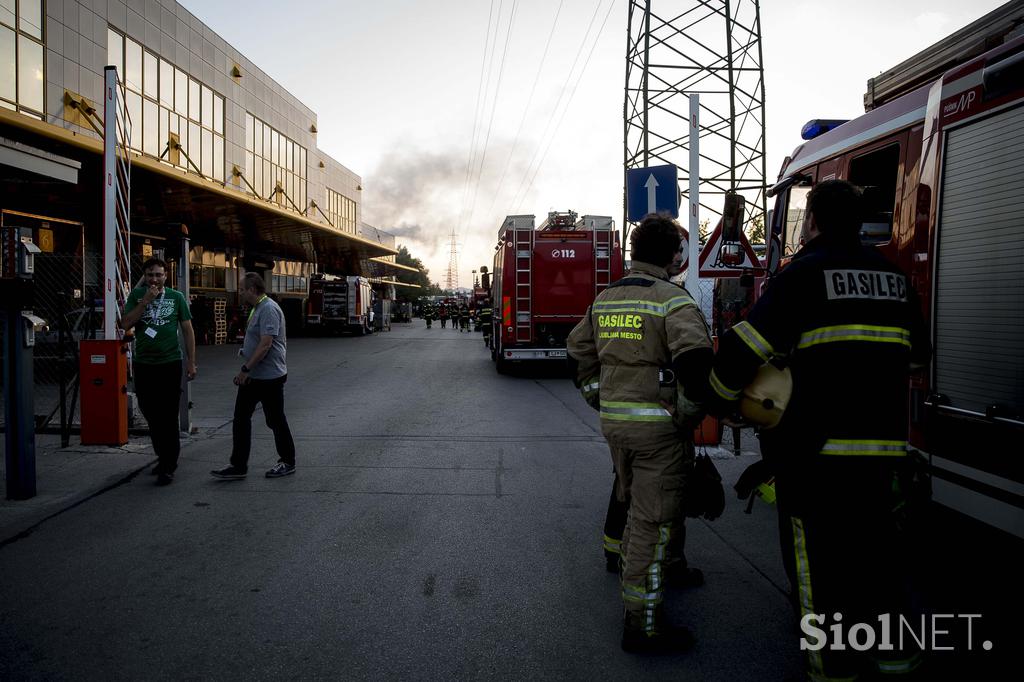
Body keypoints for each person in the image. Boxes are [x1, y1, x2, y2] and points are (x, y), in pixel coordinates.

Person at [709, 180, 929, 679]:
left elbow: (744, 351)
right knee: (880, 561)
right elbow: (917, 357)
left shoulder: (801, 277)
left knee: (822, 572)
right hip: (884, 454)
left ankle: (834, 670)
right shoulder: (894, 279)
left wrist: (722, 401)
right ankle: (896, 661)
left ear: (811, 222)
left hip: (816, 456)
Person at [567, 213, 713, 655]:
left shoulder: (606, 298)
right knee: (653, 522)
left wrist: (598, 396)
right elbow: (696, 365)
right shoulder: (673, 300)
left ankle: (651, 583)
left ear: (633, 253)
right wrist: (686, 416)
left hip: (616, 427)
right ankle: (643, 625)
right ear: (673, 255)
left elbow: (578, 350)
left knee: (636, 510)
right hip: (659, 432)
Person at [211, 273, 297, 480]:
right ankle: (238, 465)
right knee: (241, 418)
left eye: (242, 289)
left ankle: (287, 461)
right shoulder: (258, 308)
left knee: (275, 419)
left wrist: (246, 369)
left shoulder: (268, 309)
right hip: (255, 376)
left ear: (252, 289)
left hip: (269, 377)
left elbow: (266, 343)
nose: (239, 293)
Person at [120, 257, 197, 486]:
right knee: (150, 412)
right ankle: (163, 455)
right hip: (144, 364)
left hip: (170, 363)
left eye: (159, 275)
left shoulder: (176, 298)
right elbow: (125, 324)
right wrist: (144, 302)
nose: (155, 278)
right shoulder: (136, 297)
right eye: (151, 274)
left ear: (166, 276)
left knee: (168, 415)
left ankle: (168, 464)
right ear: (145, 276)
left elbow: (187, 330)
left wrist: (191, 361)